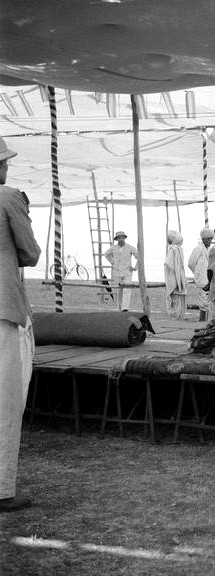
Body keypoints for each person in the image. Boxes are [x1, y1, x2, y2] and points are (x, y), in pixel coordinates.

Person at [0, 136, 41, 512]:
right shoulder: (9, 197)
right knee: (6, 401)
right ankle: (2, 488)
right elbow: (29, 252)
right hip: (4, 312)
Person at [104, 231, 139, 311]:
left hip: (127, 272)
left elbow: (139, 256)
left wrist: (135, 267)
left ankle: (125, 308)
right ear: (117, 239)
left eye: (122, 237)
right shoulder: (114, 248)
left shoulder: (130, 247)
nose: (120, 239)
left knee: (127, 290)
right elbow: (106, 254)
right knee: (119, 291)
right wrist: (112, 262)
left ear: (124, 238)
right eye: (119, 238)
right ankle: (119, 308)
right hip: (117, 272)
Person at [187, 227, 215, 322]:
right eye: (208, 239)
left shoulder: (209, 250)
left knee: (207, 302)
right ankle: (202, 320)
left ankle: (205, 320)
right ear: (203, 239)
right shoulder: (198, 249)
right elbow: (191, 263)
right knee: (203, 303)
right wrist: (197, 273)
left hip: (208, 280)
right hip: (201, 280)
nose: (210, 241)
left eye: (211, 239)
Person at [164, 230, 187, 320]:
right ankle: (178, 316)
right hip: (178, 276)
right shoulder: (178, 249)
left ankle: (175, 316)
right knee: (177, 298)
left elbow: (168, 264)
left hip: (173, 276)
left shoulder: (172, 250)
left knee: (174, 298)